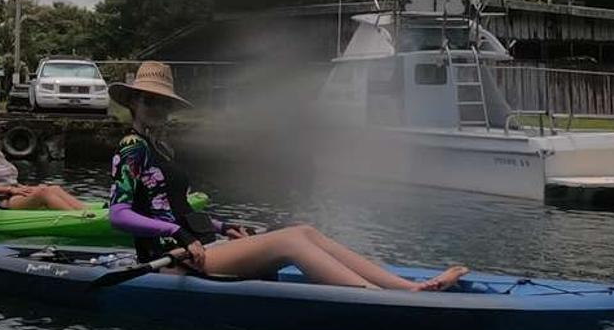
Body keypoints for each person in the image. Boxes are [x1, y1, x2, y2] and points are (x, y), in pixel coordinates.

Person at [106, 61, 467, 290]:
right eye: (150, 101)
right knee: (290, 241)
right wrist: (177, 233)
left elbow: (178, 209)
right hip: (174, 260)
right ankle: (384, 299)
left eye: (163, 102)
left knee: (304, 230)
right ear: (134, 103)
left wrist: (222, 226)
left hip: (199, 247)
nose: (158, 108)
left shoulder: (161, 150)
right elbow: (119, 215)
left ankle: (405, 287)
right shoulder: (132, 147)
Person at [0, 108, 87, 210]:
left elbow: (6, 180)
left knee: (53, 188)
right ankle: (80, 220)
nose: (0, 132)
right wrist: (11, 189)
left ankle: (87, 212)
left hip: (9, 194)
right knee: (44, 194)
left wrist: (23, 188)